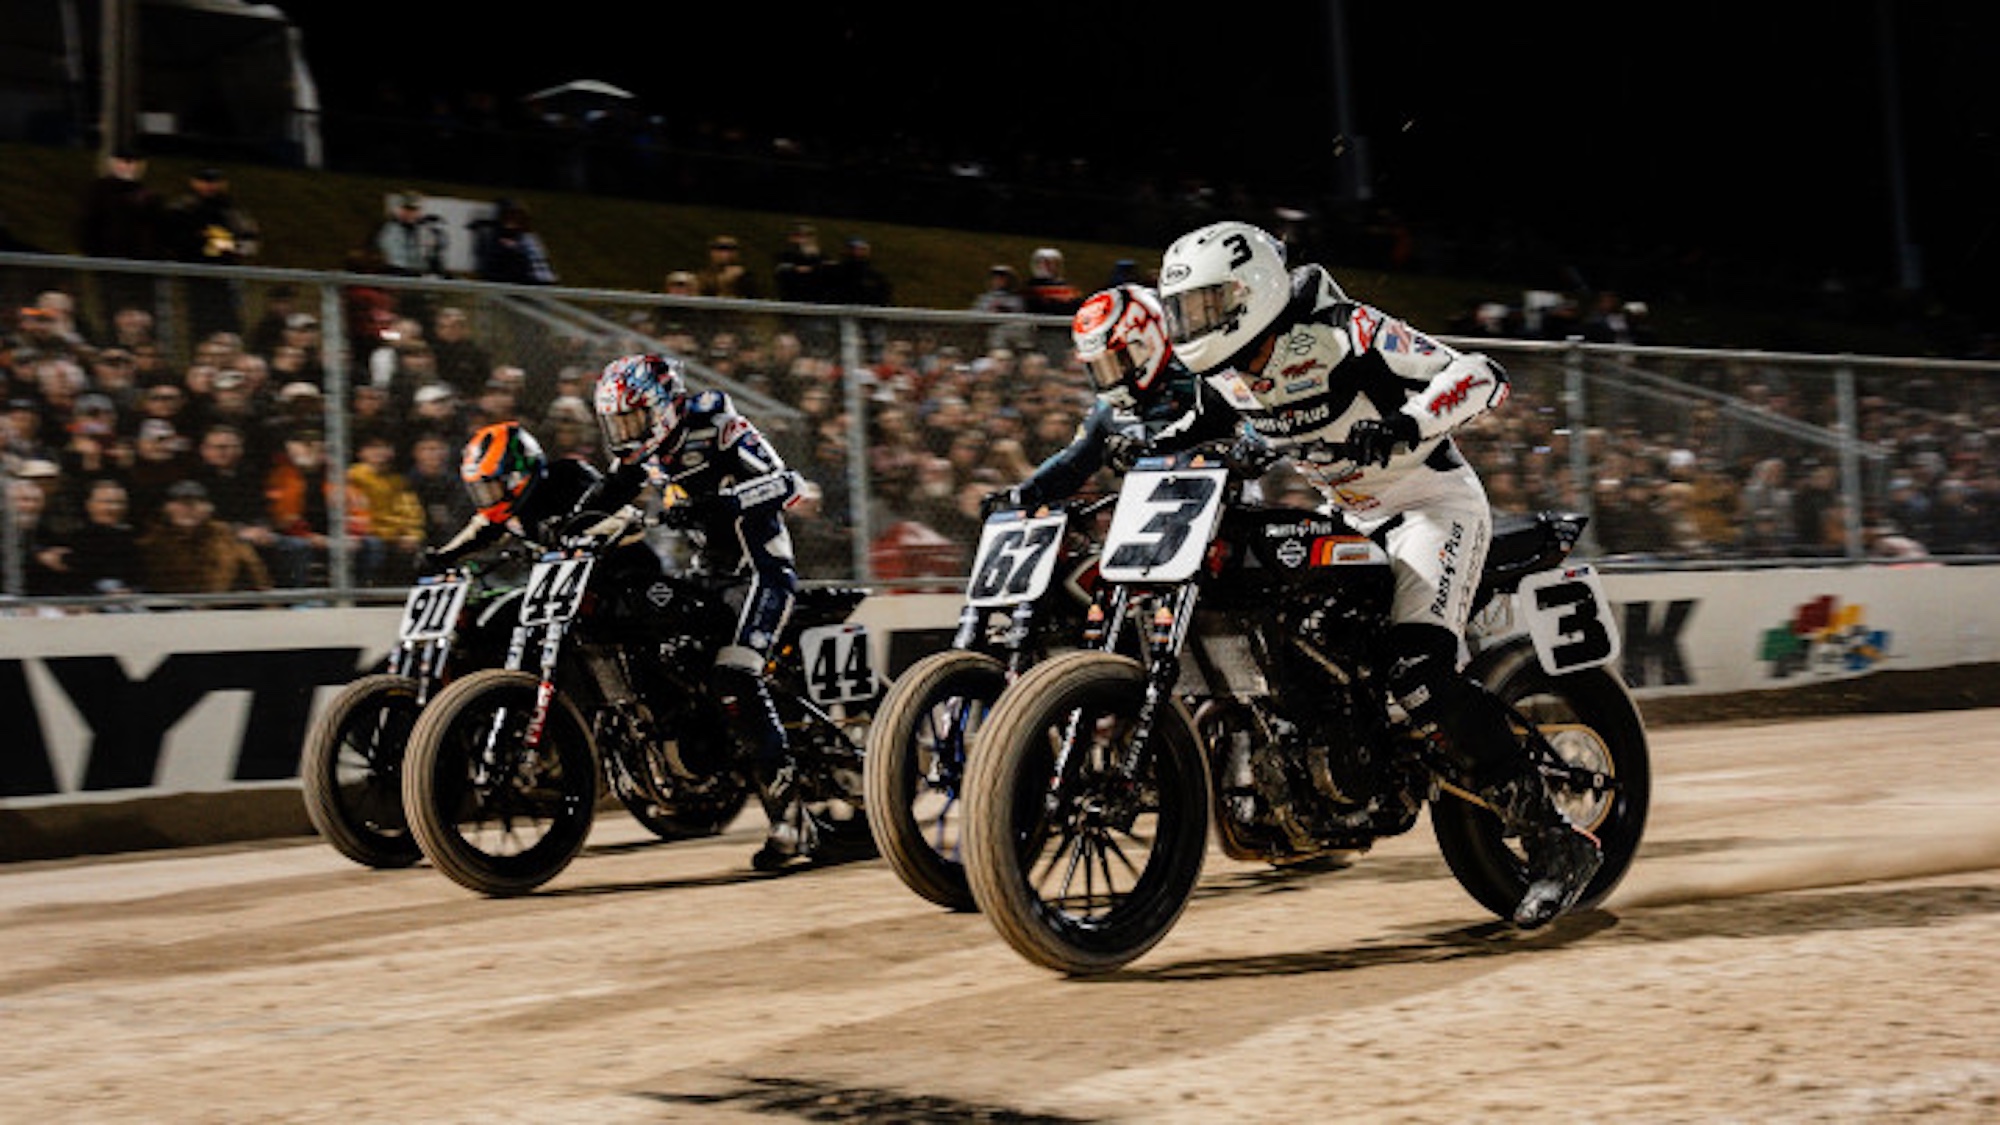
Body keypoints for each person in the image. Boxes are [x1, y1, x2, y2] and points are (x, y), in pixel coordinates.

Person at [1156, 219, 1600, 929]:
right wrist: (1143, 449)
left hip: (1430, 506)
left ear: (1253, 293)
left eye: (1207, 306)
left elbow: (1479, 374)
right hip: (1350, 514)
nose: (1193, 324)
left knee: (1417, 671)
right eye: (1184, 311)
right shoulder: (1227, 374)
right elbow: (1195, 430)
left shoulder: (1344, 331)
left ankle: (1554, 838)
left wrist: (1408, 424)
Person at [586, 354, 809, 869]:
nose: (625, 433)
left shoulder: (717, 424)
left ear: (662, 407)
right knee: (668, 653)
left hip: (760, 572)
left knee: (734, 676)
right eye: (617, 423)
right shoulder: (646, 454)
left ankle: (791, 819)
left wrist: (724, 504)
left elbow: (788, 484)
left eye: (633, 419)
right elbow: (609, 490)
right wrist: (571, 522)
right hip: (706, 574)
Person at [980, 284, 1257, 516]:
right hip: (1155, 523)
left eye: (1117, 363)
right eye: (1100, 368)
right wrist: (1022, 495)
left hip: (1230, 511)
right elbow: (1072, 463)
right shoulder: (1108, 410)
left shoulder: (1204, 380)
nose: (1110, 378)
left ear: (1149, 343)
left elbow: (1252, 435)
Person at [420, 421, 601, 571]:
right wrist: (442, 556)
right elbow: (480, 530)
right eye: (481, 490)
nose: (488, 497)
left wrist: (574, 532)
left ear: (516, 477)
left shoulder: (572, 477)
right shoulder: (508, 510)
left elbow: (612, 517)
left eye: (491, 487)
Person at [138, 478, 273, 594]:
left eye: (196, 503)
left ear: (209, 508)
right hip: (171, 607)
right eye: (181, 503)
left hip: (221, 604)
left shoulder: (225, 534)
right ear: (166, 508)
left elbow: (255, 570)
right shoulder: (153, 541)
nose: (188, 510)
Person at [374, 191, 448, 278]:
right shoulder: (389, 228)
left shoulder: (428, 229)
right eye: (406, 209)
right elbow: (390, 255)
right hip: (397, 273)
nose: (410, 213)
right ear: (399, 209)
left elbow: (436, 253)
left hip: (421, 274)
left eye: (414, 210)